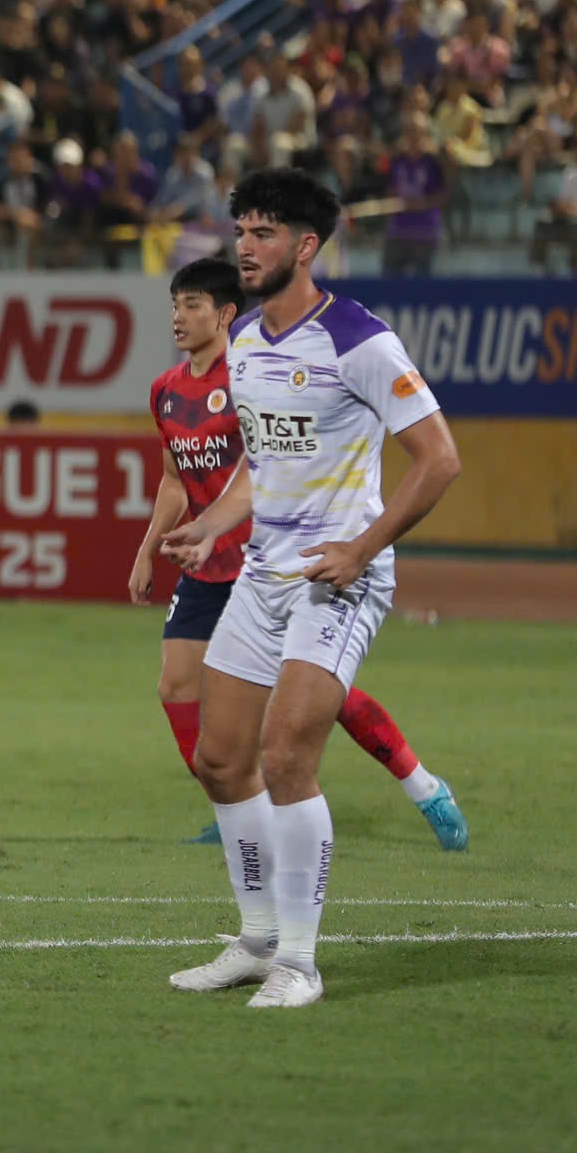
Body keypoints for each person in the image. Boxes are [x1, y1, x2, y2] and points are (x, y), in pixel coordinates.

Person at [158, 172, 464, 1008]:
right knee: (221, 761)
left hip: (340, 580)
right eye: (240, 230)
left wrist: (362, 549)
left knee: (288, 754)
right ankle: (256, 940)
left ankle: (300, 960)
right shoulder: (248, 340)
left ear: (304, 247)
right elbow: (264, 466)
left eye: (262, 233)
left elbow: (438, 460)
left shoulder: (361, 341)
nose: (244, 246)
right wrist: (212, 523)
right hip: (261, 572)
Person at [129, 258, 467, 850]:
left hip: (273, 560)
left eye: (193, 305)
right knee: (176, 685)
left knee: (315, 702)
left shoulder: (256, 370)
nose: (178, 317)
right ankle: (234, 804)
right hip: (211, 564)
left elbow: (277, 463)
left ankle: (423, 786)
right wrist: (149, 546)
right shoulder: (165, 390)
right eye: (175, 305)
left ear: (225, 314)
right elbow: (176, 480)